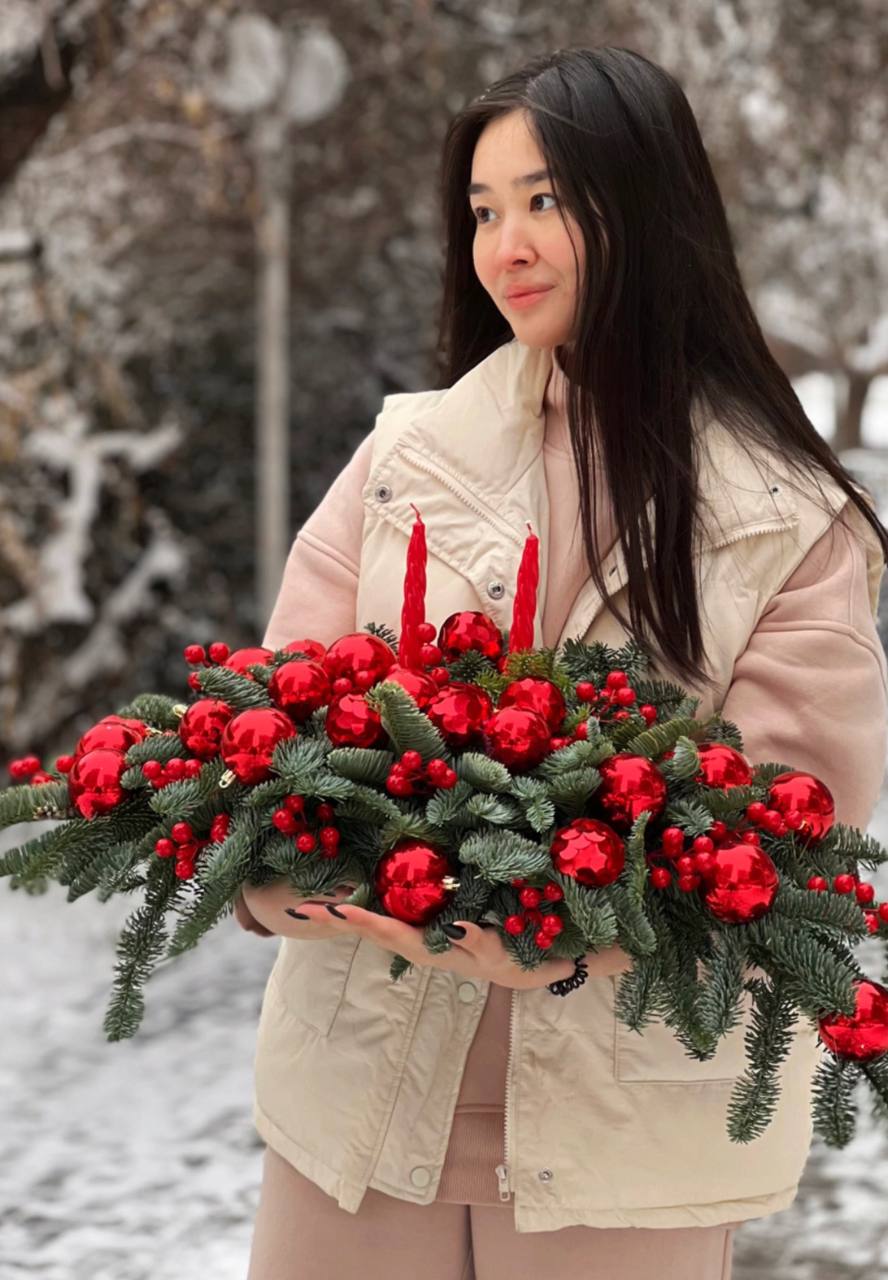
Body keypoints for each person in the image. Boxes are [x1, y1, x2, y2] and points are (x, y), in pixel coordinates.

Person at [237, 46, 888, 1280]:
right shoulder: (405, 459)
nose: (506, 246)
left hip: (629, 1126)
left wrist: (567, 924)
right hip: (363, 1105)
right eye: (483, 211)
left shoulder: (781, 514)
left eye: (544, 201)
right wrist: (285, 871)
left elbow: (791, 807)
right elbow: (276, 711)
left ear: (644, 210)